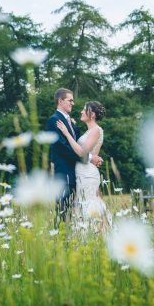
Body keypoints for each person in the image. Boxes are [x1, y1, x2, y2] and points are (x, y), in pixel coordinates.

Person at [47, 88, 103, 225]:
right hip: (64, 174)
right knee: (63, 211)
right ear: (60, 101)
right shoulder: (54, 120)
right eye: (70, 100)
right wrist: (89, 158)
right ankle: (61, 241)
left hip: (78, 174)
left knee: (77, 210)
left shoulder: (70, 122)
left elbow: (78, 145)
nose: (73, 103)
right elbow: (63, 148)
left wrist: (89, 156)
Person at [55, 100, 112, 232]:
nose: (81, 111)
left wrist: (66, 133)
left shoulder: (96, 130)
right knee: (81, 204)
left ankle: (96, 233)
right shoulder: (89, 131)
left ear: (91, 114)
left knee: (88, 205)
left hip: (88, 174)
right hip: (81, 172)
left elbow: (81, 153)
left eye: (83, 109)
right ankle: (85, 235)